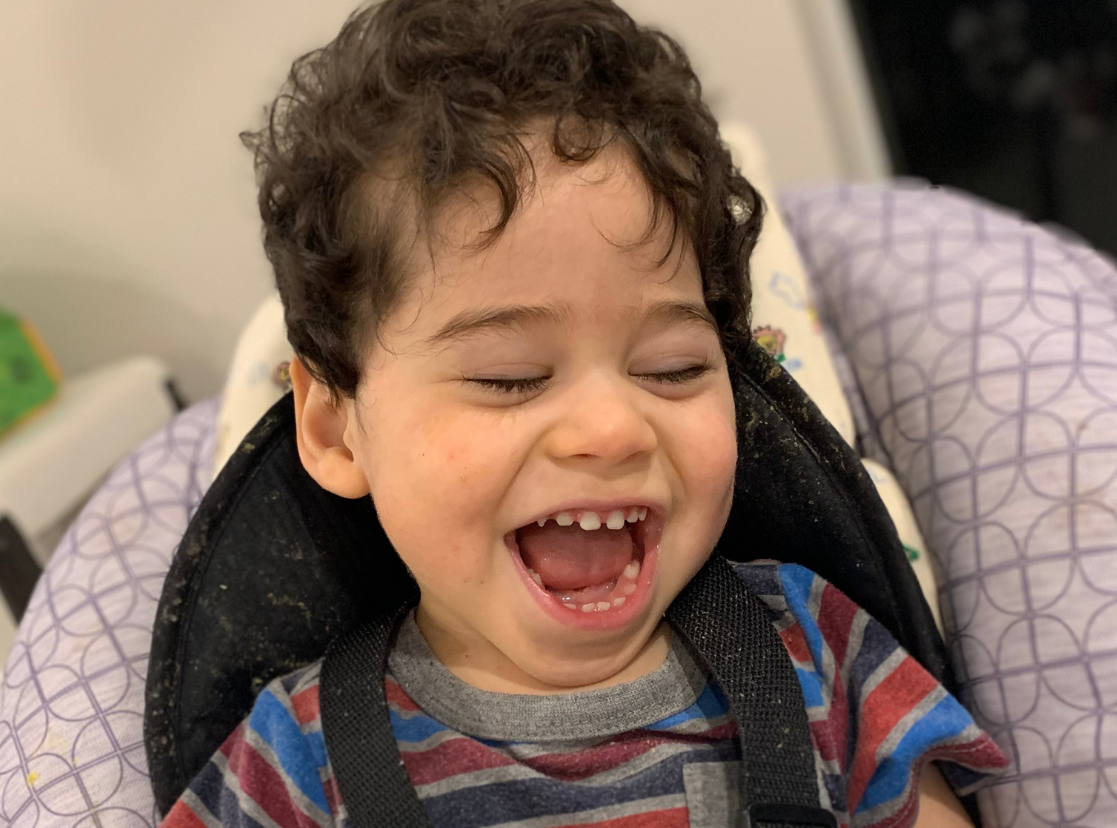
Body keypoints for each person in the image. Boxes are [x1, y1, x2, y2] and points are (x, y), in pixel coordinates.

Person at [159, 1, 1008, 825]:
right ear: (336, 428)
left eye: (672, 369)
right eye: (511, 378)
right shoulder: (295, 768)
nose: (611, 429)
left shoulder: (817, 656)